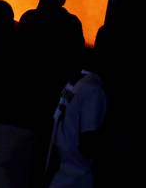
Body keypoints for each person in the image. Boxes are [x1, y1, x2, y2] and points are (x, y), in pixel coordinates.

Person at [45, 26, 111, 188]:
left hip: (61, 176)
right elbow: (88, 144)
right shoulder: (94, 90)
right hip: (76, 179)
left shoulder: (77, 82)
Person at [18, 0, 86, 120]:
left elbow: (18, 51)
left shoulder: (30, 18)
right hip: (55, 87)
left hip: (28, 84)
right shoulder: (72, 23)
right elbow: (78, 57)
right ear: (63, 1)